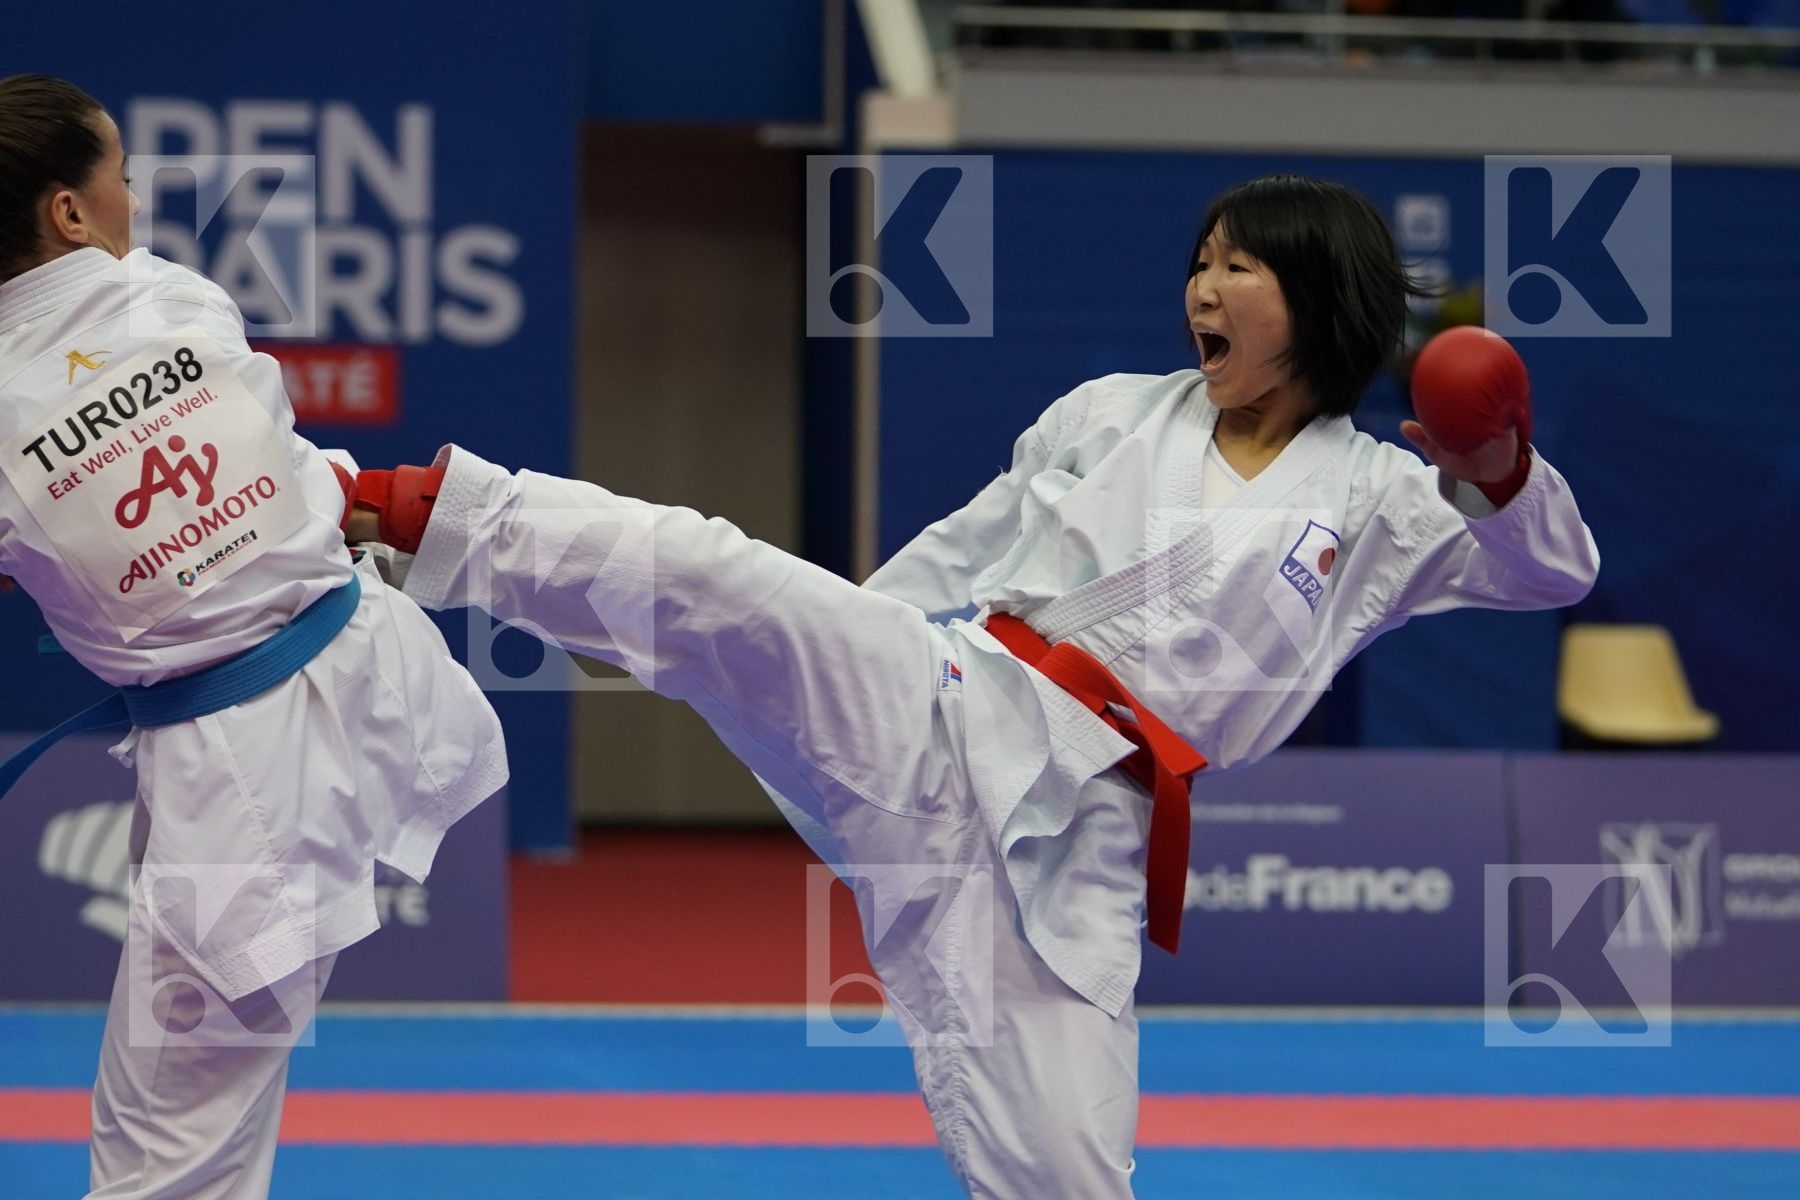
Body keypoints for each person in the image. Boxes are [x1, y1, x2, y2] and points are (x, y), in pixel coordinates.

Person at [347, 174, 1599, 1199]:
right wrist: (732, 649)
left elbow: (1553, 572)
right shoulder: (1107, 413)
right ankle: (391, 509)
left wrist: (1495, 467)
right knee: (729, 576)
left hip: (1086, 836)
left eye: (1239, 268)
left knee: (1060, 1171)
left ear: (1318, 299)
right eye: (1200, 262)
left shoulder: (1384, 499)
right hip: (951, 700)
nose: (1201, 289)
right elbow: (948, 561)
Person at [0, 75, 508, 1200]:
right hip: (360, 681)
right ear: (68, 215)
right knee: (204, 1129)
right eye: (120, 178)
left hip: (241, 788)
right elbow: (278, 471)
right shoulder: (178, 300)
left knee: (165, 1150)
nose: (135, 199)